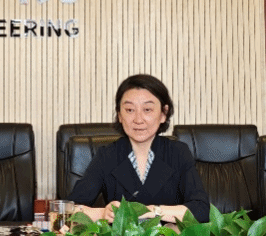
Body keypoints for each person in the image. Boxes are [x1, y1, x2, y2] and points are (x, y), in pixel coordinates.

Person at [67, 74, 210, 223]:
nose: (138, 119)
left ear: (163, 113)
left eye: (147, 109)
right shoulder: (107, 155)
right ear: (119, 115)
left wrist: (151, 211)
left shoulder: (178, 152)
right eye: (130, 110)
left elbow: (201, 210)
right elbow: (70, 208)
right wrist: (103, 213)